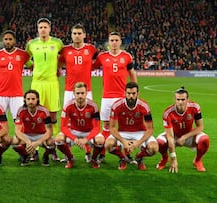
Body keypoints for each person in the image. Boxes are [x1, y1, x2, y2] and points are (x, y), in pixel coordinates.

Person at [0, 30, 31, 162]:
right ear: (3, 40)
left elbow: (33, 65)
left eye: (10, 39)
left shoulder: (23, 55)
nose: (8, 41)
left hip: (17, 95)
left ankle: (23, 153)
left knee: (21, 125)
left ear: (14, 40)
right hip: (0, 95)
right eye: (6, 39)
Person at [94, 31, 137, 163]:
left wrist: (135, 90)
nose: (113, 43)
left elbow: (132, 73)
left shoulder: (126, 56)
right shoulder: (102, 57)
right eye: (111, 40)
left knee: (123, 126)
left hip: (121, 96)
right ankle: (102, 153)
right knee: (106, 125)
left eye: (116, 40)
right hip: (107, 96)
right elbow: (91, 67)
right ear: (108, 42)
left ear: (120, 42)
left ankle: (127, 154)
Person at [58, 23, 98, 162]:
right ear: (71, 35)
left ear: (84, 35)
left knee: (88, 120)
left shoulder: (91, 49)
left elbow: (98, 62)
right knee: (68, 120)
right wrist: (58, 70)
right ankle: (67, 154)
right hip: (69, 90)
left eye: (79, 33)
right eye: (74, 33)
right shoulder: (65, 50)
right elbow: (59, 62)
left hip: (87, 90)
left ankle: (88, 151)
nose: (77, 36)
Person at [25, 18, 63, 161]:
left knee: (52, 116)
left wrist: (58, 68)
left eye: (45, 27)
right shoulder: (32, 44)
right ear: (37, 28)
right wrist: (31, 66)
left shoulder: (57, 43)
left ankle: (52, 148)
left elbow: (63, 57)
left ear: (50, 28)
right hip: (37, 84)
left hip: (52, 83)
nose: (43, 29)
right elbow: (25, 58)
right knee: (36, 116)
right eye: (40, 27)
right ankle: (34, 150)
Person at [105, 82, 158, 170]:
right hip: (123, 132)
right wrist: (123, 141)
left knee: (154, 148)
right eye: (128, 93)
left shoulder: (144, 106)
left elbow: (150, 129)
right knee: (108, 145)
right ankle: (123, 158)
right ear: (125, 93)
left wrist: (139, 142)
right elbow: (112, 127)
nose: (131, 96)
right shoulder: (116, 106)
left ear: (138, 93)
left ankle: (139, 157)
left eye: (133, 93)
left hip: (140, 132)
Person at [156, 87, 209, 172]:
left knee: (204, 139)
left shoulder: (195, 107)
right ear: (174, 99)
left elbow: (200, 127)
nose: (180, 102)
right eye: (178, 99)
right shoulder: (167, 113)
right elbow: (169, 136)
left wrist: (184, 137)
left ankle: (197, 160)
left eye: (183, 99)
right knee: (160, 142)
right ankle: (165, 158)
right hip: (174, 136)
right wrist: (174, 158)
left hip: (189, 136)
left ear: (188, 99)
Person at [55, 82, 104, 169]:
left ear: (86, 93)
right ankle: (70, 158)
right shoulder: (68, 106)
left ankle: (93, 159)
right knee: (58, 140)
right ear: (74, 93)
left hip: (89, 132)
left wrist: (86, 139)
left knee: (100, 140)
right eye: (77, 93)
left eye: (82, 93)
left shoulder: (93, 106)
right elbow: (63, 127)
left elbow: (96, 128)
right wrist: (75, 139)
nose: (80, 96)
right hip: (74, 132)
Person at [11, 89, 55, 166]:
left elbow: (50, 131)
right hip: (26, 135)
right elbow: (17, 130)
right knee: (14, 142)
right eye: (28, 99)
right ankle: (25, 155)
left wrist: (38, 142)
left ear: (37, 99)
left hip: (40, 135)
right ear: (24, 99)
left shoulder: (44, 111)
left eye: (33, 99)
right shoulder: (21, 110)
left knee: (52, 142)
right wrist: (27, 141)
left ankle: (45, 156)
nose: (30, 101)